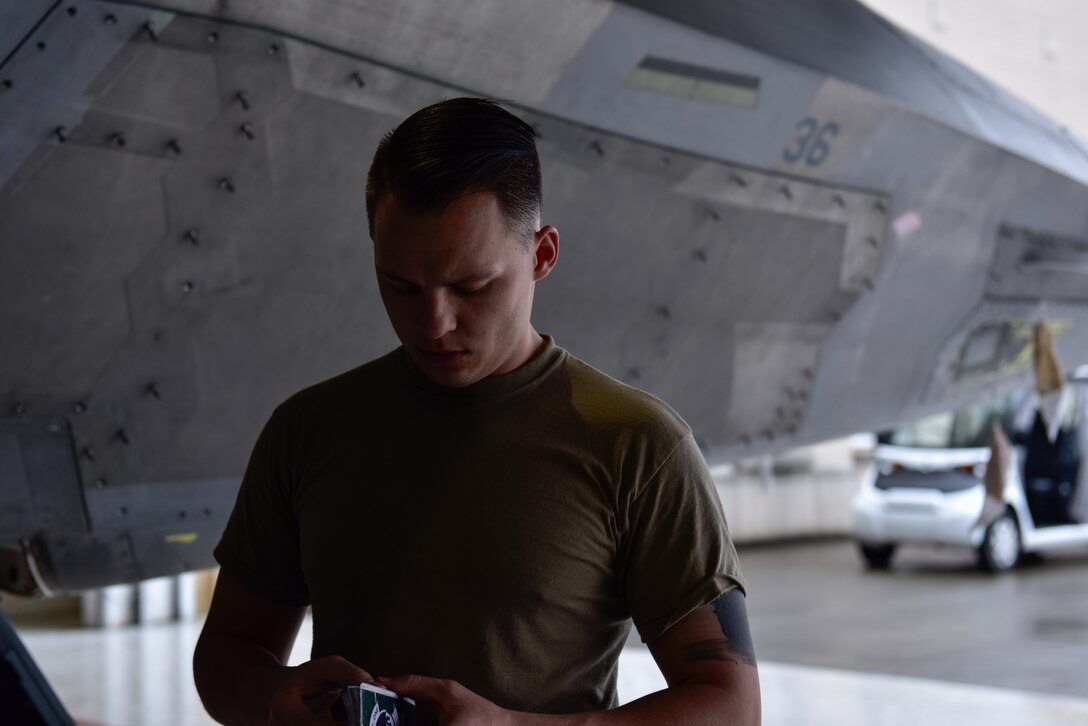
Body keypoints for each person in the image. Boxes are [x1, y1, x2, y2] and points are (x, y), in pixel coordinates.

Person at [193, 97, 760, 725]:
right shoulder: (306, 432)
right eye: (401, 285)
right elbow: (228, 653)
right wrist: (274, 699)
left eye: (471, 287)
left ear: (542, 256)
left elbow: (730, 706)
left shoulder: (637, 446)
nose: (434, 323)